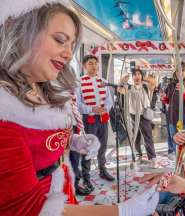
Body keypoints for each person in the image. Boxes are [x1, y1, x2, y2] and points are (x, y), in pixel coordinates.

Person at [0, 1, 158, 215]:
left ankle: (101, 169)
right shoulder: (4, 113)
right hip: (45, 201)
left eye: (71, 45)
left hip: (63, 188)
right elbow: (30, 208)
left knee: (99, 151)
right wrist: (121, 211)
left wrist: (73, 141)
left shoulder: (48, 88)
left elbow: (40, 143)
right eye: (59, 40)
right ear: (21, 34)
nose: (67, 54)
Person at [76, 54, 115, 182]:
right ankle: (86, 175)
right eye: (90, 63)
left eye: (95, 63)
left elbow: (109, 100)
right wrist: (92, 109)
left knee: (103, 146)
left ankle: (102, 170)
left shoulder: (103, 81)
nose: (94, 66)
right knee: (88, 147)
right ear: (84, 66)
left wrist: (105, 109)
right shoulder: (79, 83)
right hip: (89, 120)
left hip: (103, 119)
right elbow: (77, 104)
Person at [118, 68, 157, 168]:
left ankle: (152, 158)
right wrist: (123, 79)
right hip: (133, 115)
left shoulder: (145, 87)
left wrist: (144, 77)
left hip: (144, 115)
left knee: (148, 137)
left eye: (139, 74)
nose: (137, 76)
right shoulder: (129, 88)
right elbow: (119, 89)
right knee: (135, 137)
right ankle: (138, 155)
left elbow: (153, 82)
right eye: (134, 74)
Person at [161, 61, 185, 159]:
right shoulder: (172, 85)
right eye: (178, 71)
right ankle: (175, 157)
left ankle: (184, 161)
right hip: (172, 118)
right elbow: (168, 100)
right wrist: (163, 98)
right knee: (174, 141)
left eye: (183, 71)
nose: (180, 73)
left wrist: (184, 92)